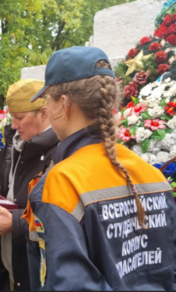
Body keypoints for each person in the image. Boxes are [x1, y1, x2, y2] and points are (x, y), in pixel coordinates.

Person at [23, 46, 176, 290]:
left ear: (64, 104)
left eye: (47, 101)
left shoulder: (63, 182)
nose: (47, 111)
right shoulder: (151, 173)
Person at [0, 79, 59, 291]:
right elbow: (12, 184)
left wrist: (16, 223)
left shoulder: (59, 153)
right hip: (8, 262)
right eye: (12, 117)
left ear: (43, 113)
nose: (13, 125)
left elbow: (57, 217)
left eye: (19, 118)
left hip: (33, 270)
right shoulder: (17, 141)